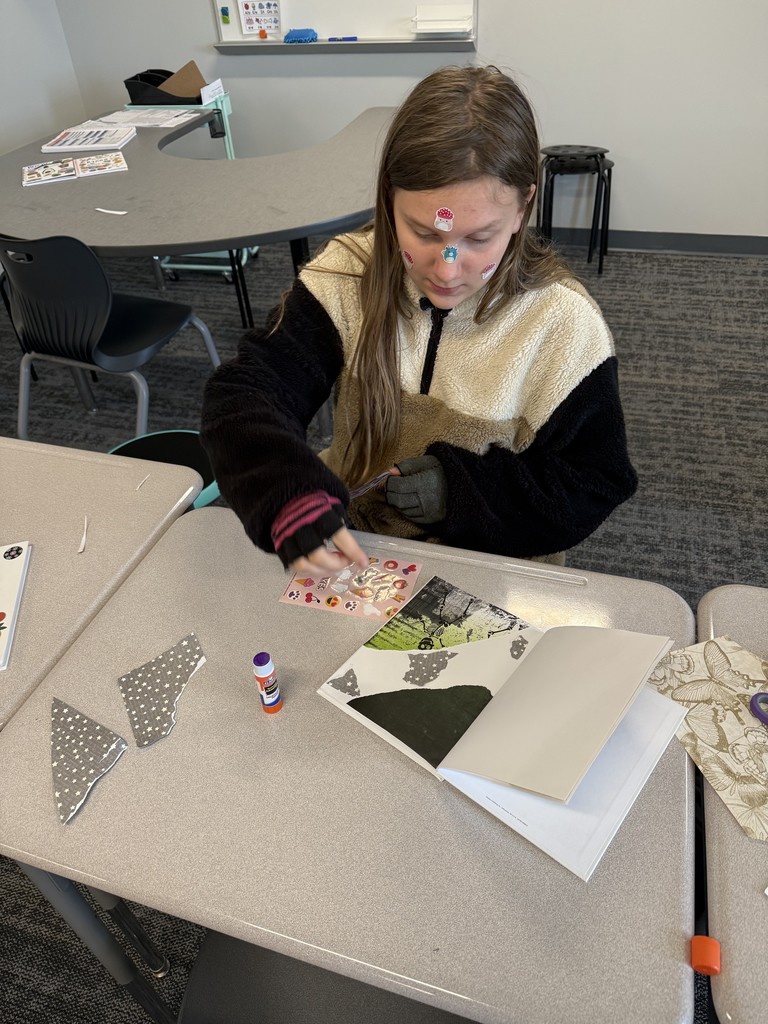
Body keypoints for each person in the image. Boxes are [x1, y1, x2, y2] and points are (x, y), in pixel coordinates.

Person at [200, 65, 637, 575]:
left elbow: (591, 484)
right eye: (424, 233)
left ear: (523, 209)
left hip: (488, 566)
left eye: (479, 238)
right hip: (358, 547)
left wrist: (460, 491)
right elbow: (245, 394)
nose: (447, 269)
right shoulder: (345, 276)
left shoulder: (562, 325)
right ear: (388, 199)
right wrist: (284, 491)